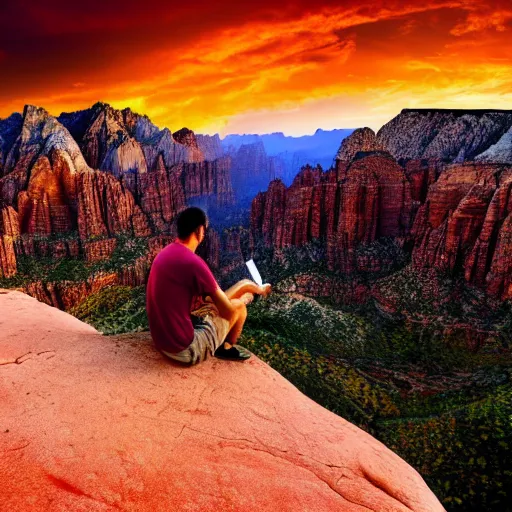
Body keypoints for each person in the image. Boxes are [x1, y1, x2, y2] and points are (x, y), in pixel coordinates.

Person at [146, 207, 271, 365]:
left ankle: (253, 290)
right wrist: (246, 299)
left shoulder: (165, 253)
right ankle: (225, 348)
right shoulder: (194, 263)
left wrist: (250, 286)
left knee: (220, 302)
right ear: (199, 231)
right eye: (204, 230)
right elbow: (229, 311)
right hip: (184, 351)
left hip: (161, 341)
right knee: (239, 307)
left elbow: (212, 300)